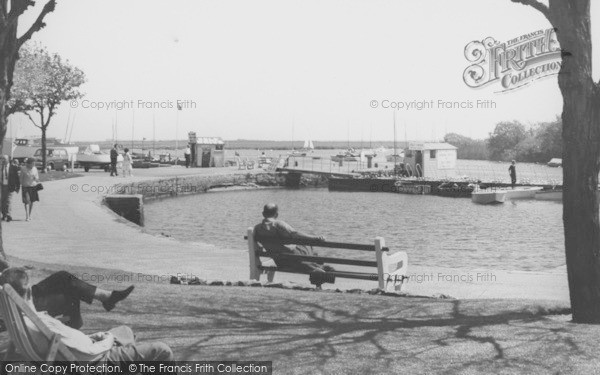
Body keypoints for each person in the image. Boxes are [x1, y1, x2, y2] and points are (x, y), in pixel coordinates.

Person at [0, 267, 174, 365]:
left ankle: (108, 298)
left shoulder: (22, 320)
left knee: (126, 331)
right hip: (97, 361)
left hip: (76, 353)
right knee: (162, 351)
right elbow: (89, 351)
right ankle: (108, 298)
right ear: (29, 292)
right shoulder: (44, 325)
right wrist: (107, 338)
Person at [0, 260, 134, 329]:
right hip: (24, 304)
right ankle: (107, 298)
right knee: (70, 290)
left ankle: (106, 297)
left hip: (16, 300)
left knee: (63, 277)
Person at [253, 203, 335, 288]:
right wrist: (315, 238)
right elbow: (295, 234)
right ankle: (317, 267)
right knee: (307, 244)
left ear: (263, 214)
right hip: (294, 261)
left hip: (280, 262)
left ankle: (317, 266)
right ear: (276, 214)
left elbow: (258, 247)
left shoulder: (257, 228)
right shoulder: (278, 224)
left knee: (306, 250)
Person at [1, 155, 20, 222]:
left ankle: (9, 215)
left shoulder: (13, 167)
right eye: (2, 159)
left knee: (8, 201)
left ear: (8, 160)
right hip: (3, 186)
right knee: (3, 201)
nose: (3, 160)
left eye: (4, 159)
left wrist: (18, 187)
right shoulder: (1, 167)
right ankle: (4, 214)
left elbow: (17, 178)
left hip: (10, 186)